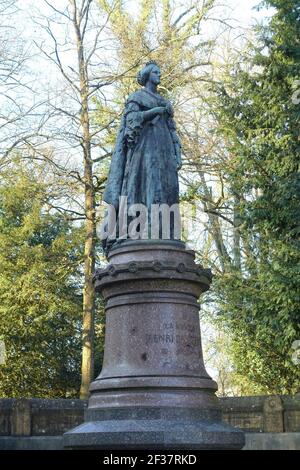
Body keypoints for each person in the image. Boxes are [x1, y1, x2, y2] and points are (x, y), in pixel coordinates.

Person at [102, 61, 182, 252]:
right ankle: (142, 229)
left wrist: (177, 152)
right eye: (156, 72)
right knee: (146, 185)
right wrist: (154, 112)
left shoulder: (164, 101)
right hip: (145, 150)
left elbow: (172, 131)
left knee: (167, 187)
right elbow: (132, 121)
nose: (159, 75)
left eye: (160, 72)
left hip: (164, 149)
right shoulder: (137, 97)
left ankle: (164, 232)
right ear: (147, 75)